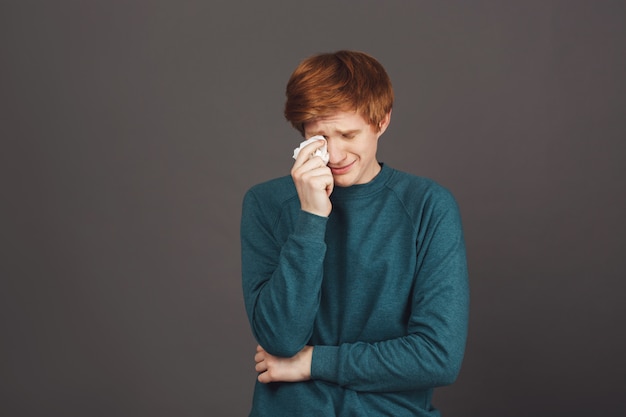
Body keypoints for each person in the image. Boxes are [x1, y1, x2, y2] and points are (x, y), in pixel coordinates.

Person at [240, 50, 469, 417]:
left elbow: (438, 357)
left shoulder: (428, 206)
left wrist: (313, 363)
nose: (334, 153)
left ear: (381, 121)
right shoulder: (266, 203)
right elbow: (281, 339)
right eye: (319, 137)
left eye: (348, 134)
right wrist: (312, 217)